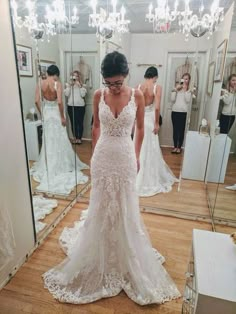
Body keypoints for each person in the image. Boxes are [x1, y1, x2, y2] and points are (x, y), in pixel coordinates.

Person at [43, 52, 180, 305]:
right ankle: (100, 248)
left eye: (117, 82)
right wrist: (94, 154)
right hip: (104, 155)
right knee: (102, 204)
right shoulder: (98, 95)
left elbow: (140, 128)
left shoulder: (137, 95)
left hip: (125, 155)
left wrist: (137, 156)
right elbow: (95, 127)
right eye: (109, 83)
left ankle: (125, 251)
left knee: (125, 205)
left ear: (126, 76)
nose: (113, 87)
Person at [31, 65, 88, 195]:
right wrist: (62, 116)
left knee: (48, 140)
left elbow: (36, 100)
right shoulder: (57, 83)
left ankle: (48, 164)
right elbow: (60, 102)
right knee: (60, 138)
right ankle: (61, 164)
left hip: (47, 113)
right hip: (56, 113)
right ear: (56, 74)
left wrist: (43, 113)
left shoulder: (41, 82)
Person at [136, 67, 178, 197]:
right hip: (149, 120)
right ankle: (150, 177)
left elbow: (135, 105)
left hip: (140, 120)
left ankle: (137, 175)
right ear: (155, 76)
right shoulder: (157, 87)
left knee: (139, 147)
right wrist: (156, 122)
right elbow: (157, 106)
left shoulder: (138, 86)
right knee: (150, 148)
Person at [171, 73, 192, 154]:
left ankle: (179, 147)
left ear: (189, 80)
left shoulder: (189, 90)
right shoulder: (176, 88)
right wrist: (176, 89)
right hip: (175, 112)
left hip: (183, 113)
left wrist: (186, 90)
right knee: (175, 130)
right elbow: (172, 99)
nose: (185, 80)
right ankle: (175, 147)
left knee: (181, 130)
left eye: (186, 79)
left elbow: (187, 100)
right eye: (183, 79)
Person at [65, 70, 87, 144]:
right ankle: (74, 137)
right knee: (73, 123)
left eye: (77, 76)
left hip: (80, 106)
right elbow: (67, 94)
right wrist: (70, 86)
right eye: (74, 76)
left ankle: (79, 138)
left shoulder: (83, 85)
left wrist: (80, 86)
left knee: (80, 123)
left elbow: (83, 95)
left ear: (79, 77)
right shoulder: (68, 85)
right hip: (71, 106)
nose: (75, 77)